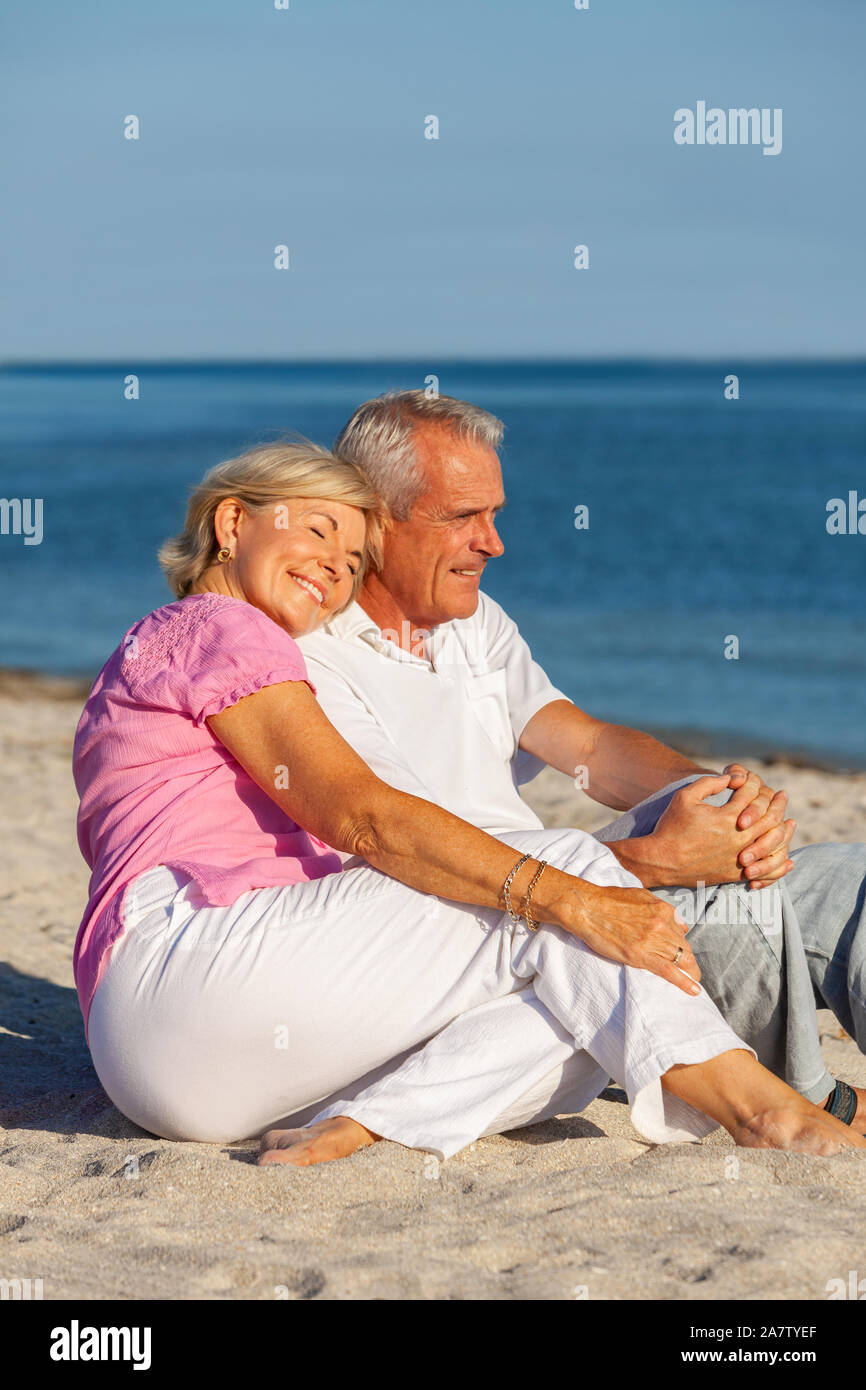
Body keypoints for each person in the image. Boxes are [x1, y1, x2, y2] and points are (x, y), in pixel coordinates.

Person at [71, 439, 863, 1168]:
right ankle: (771, 1114)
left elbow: (586, 747)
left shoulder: (197, 646)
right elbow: (365, 819)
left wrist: (702, 806)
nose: (332, 572)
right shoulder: (220, 628)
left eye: (350, 560)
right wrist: (588, 896)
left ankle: (367, 1123)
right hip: (183, 979)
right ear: (233, 523)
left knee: (585, 1019)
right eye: (315, 533)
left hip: (219, 1070)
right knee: (573, 885)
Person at [281, 391, 866, 1164]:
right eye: (463, 516)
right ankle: (815, 1104)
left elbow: (590, 743)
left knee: (841, 878)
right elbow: (411, 880)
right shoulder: (314, 660)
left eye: (494, 514)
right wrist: (660, 860)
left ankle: (809, 1094)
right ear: (376, 521)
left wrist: (720, 800)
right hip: (491, 946)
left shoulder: (470, 625)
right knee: (729, 895)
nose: (492, 543)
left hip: (573, 902)